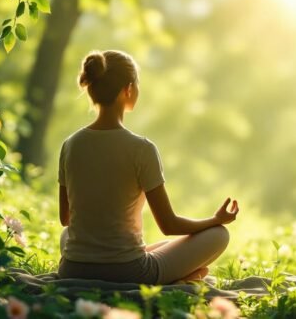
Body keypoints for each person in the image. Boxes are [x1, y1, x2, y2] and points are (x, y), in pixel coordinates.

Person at [57, 50, 239, 284]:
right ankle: (182, 277)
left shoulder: (70, 145)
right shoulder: (141, 149)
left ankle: (181, 274)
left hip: (73, 268)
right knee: (218, 235)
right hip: (130, 273)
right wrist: (215, 220)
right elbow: (169, 225)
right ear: (128, 89)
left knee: (67, 235)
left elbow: (66, 219)